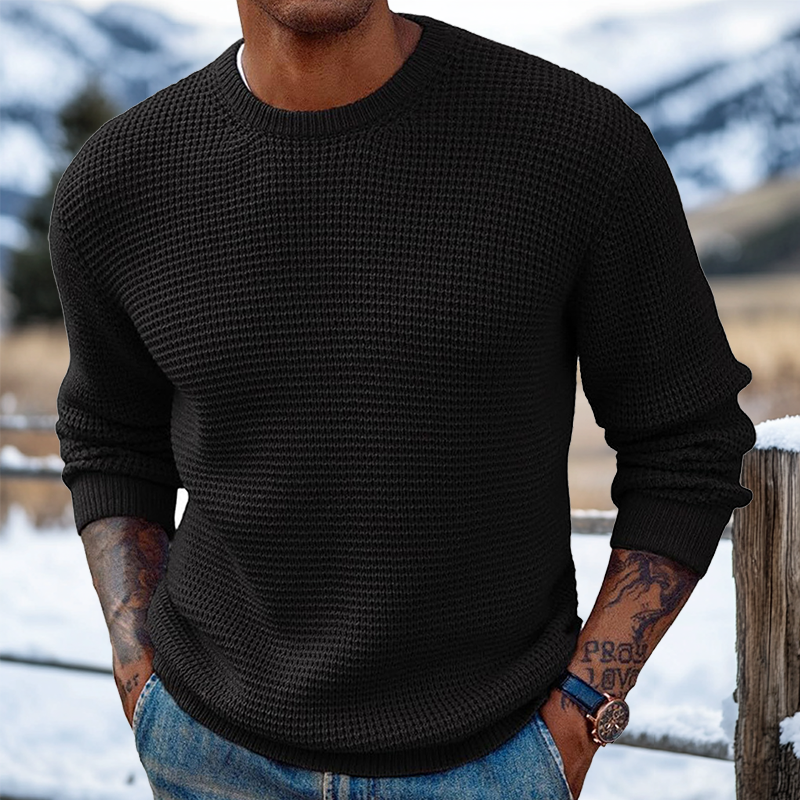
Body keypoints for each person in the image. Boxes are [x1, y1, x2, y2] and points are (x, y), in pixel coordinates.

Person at [49, 2, 757, 798]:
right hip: (205, 753)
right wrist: (137, 668)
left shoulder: (575, 145)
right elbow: (111, 439)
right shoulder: (119, 181)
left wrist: (584, 709)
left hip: (493, 763)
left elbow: (687, 443)